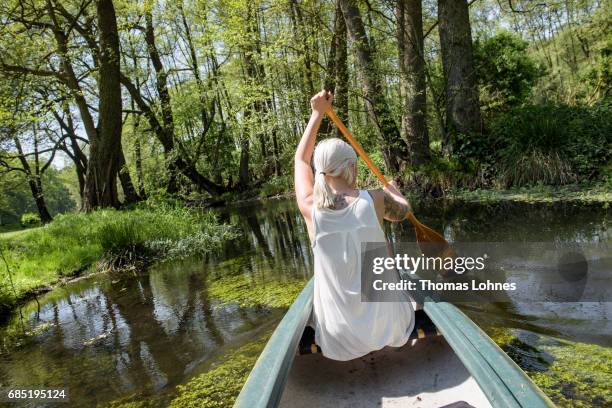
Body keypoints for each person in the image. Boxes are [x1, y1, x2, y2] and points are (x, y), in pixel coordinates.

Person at [294, 90, 415, 361]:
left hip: (339, 340)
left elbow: (300, 160)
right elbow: (404, 213)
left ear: (321, 170)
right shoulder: (376, 200)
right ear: (351, 166)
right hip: (391, 328)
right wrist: (395, 193)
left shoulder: (309, 207)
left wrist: (316, 114)